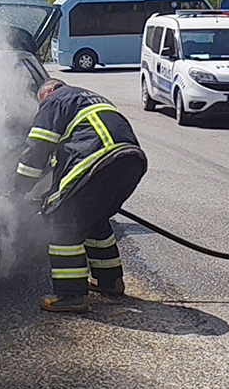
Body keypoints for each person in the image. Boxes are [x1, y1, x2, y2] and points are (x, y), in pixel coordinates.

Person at [13, 78, 148, 313]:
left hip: (99, 160)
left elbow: (38, 148)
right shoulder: (87, 97)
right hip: (131, 160)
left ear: (50, 90)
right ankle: (110, 282)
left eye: (40, 101)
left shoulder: (55, 100)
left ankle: (71, 295)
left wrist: (19, 189)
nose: (40, 107)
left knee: (61, 220)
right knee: (94, 220)